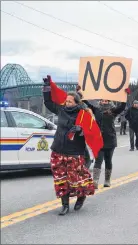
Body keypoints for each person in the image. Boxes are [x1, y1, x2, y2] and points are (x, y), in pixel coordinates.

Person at [42, 76, 97, 215]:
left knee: (76, 179)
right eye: (66, 101)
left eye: (70, 101)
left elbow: (92, 132)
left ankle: (81, 196)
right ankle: (65, 205)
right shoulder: (61, 110)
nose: (67, 103)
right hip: (58, 150)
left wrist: (81, 130)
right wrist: (47, 87)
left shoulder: (83, 114)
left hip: (74, 152)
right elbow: (48, 102)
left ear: (76, 103)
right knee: (61, 179)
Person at [82, 98, 127, 189]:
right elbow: (86, 103)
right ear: (100, 101)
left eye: (106, 101)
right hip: (99, 140)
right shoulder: (97, 110)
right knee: (98, 160)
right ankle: (95, 181)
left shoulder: (113, 111)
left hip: (110, 140)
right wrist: (83, 95)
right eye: (103, 100)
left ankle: (107, 180)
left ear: (109, 102)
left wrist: (124, 97)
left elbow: (122, 107)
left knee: (108, 160)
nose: (104, 102)